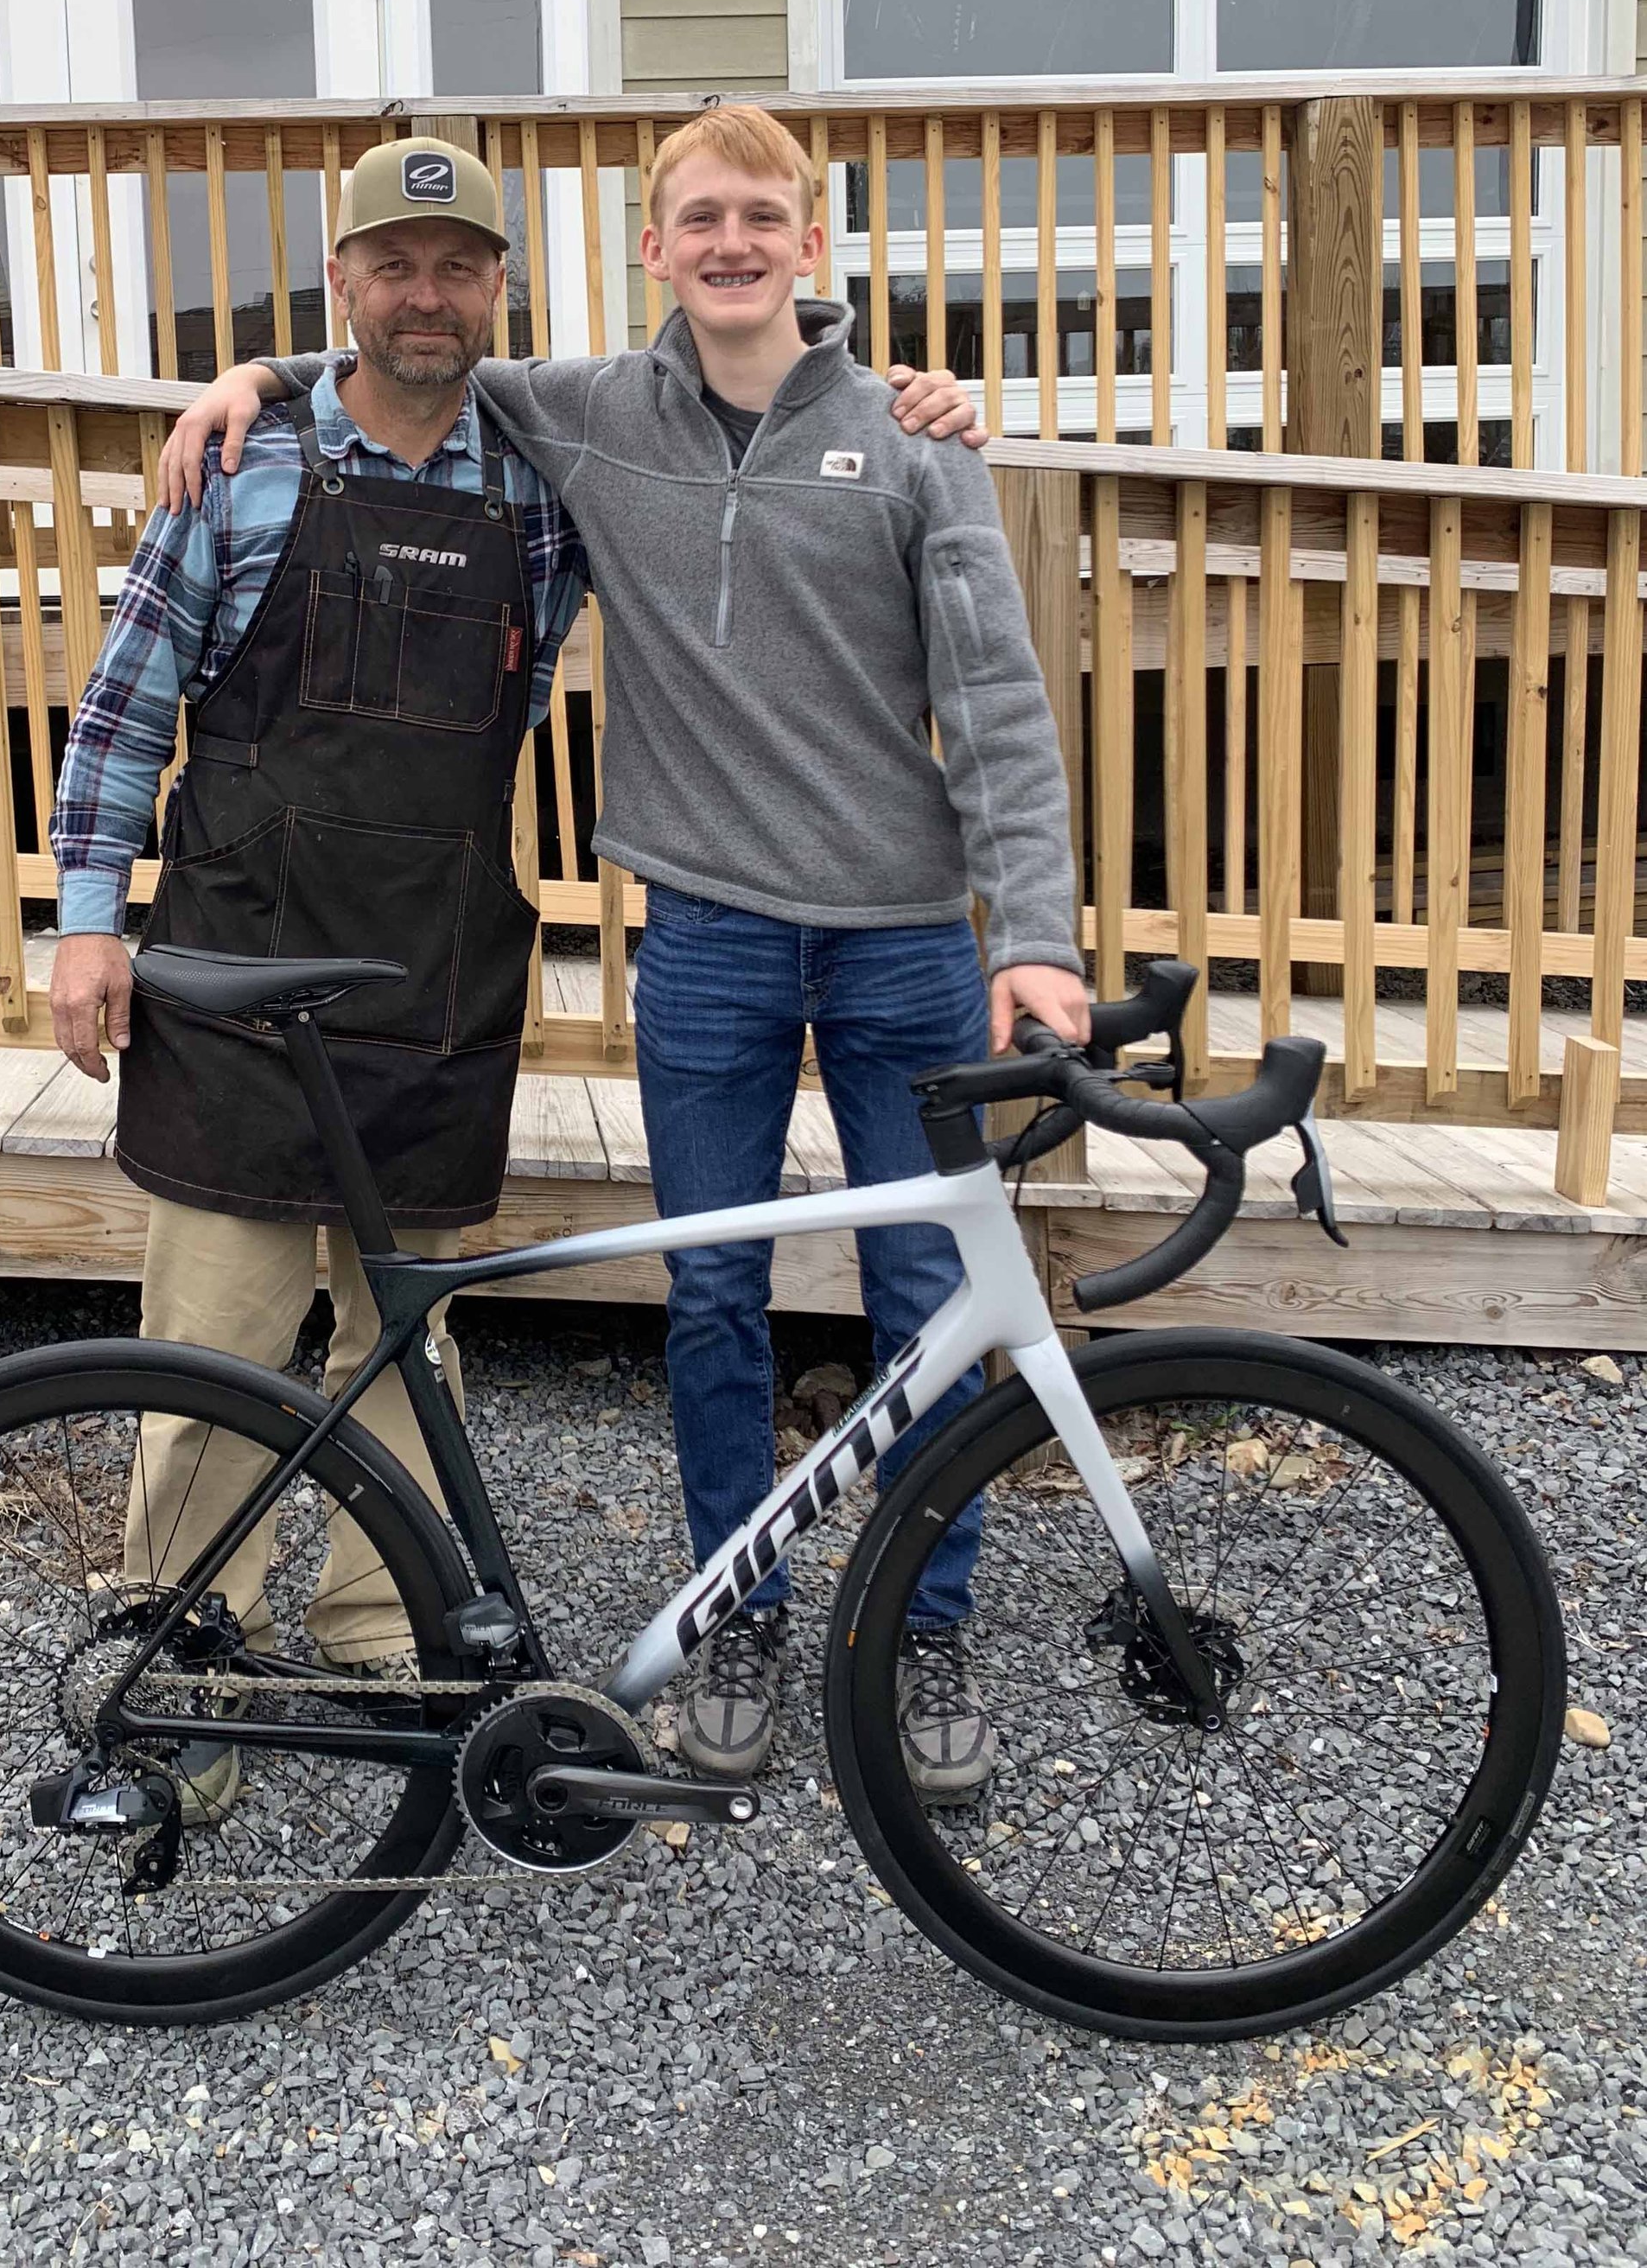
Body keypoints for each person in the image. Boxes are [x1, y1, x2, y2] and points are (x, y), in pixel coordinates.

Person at [156, 104, 1087, 1805]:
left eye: (762, 217)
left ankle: (924, 1621)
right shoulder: (583, 407)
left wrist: (1034, 938)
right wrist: (256, 384)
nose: (729, 244)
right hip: (710, 933)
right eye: (697, 220)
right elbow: (408, 347)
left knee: (928, 1293)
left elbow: (999, 701)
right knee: (713, 1293)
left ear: (810, 242)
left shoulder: (910, 438)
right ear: (650, 249)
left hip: (901, 944)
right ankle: (732, 1603)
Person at [48, 137, 589, 1814]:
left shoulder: (546, 480)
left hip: (429, 969)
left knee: (403, 1346)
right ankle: (177, 1668)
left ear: (498, 287)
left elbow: (731, 388)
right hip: (227, 964)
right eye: (394, 263)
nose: (427, 295)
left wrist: (899, 385)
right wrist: (87, 916)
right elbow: (129, 702)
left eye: (460, 265)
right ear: (340, 277)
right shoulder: (242, 462)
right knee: (209, 1344)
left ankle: (386, 1640)